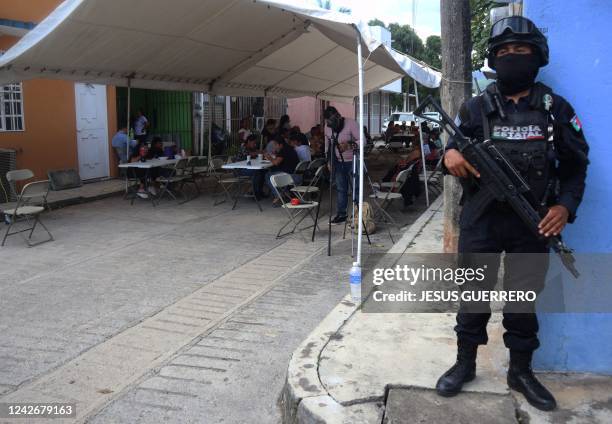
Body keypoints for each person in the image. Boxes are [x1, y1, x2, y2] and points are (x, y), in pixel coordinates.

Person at [435, 16, 589, 412]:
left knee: (523, 301)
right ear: (492, 60)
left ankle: (520, 371)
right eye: (503, 52)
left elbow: (575, 166)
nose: (511, 58)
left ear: (537, 56)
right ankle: (465, 362)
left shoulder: (556, 109)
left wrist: (564, 206)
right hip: (482, 221)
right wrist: (449, 154)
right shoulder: (474, 107)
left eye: (520, 51)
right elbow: (450, 148)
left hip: (531, 223)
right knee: (473, 295)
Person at [323, 106, 360, 224]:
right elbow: (327, 146)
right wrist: (329, 160)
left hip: (354, 160)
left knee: (356, 188)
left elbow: (362, 140)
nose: (330, 125)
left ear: (338, 116)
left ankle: (358, 214)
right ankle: (341, 214)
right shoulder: (327, 127)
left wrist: (349, 145)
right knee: (340, 188)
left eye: (332, 121)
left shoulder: (351, 123)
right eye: (328, 122)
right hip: (338, 161)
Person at [265, 135, 300, 199]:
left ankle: (279, 195)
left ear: (280, 145)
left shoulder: (283, 150)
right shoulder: (289, 148)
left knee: (268, 175)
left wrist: (269, 158)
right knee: (272, 171)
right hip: (296, 174)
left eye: (275, 145)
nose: (274, 147)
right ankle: (285, 193)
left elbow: (276, 163)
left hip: (290, 176)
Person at [236, 134, 266, 200]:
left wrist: (260, 153)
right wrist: (258, 152)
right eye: (254, 143)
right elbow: (248, 154)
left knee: (263, 171)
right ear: (249, 141)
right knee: (257, 172)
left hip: (249, 168)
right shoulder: (243, 147)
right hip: (240, 170)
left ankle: (260, 191)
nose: (255, 144)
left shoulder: (252, 148)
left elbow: (256, 155)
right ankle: (255, 193)